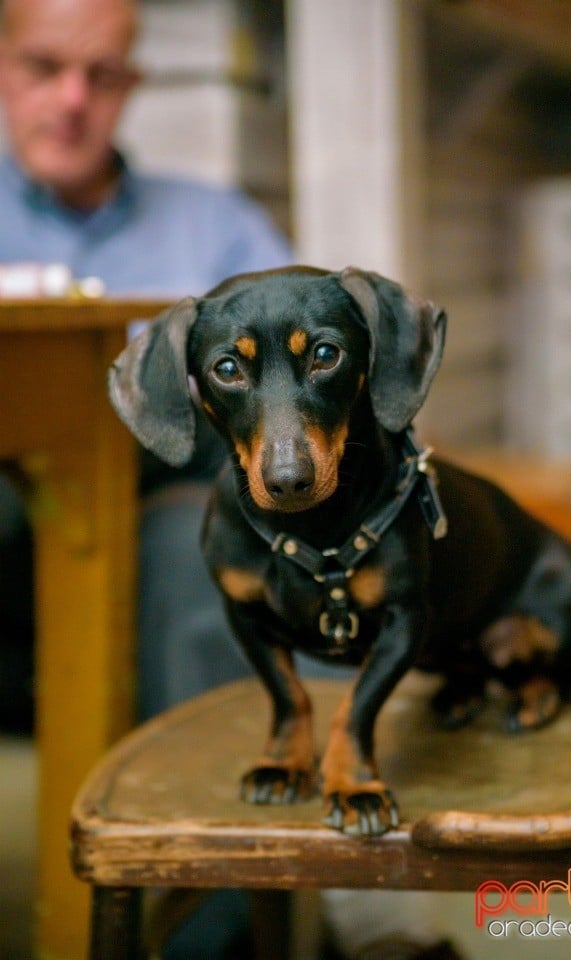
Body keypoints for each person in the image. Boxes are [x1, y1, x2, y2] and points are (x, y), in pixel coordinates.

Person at [0, 0, 290, 956]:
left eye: (102, 74)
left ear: (132, 83)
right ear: (3, 64)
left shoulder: (215, 228)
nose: (72, 100)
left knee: (199, 549)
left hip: (158, 527)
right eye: (45, 67)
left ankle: (212, 930)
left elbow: (298, 406)